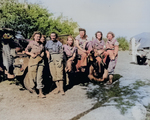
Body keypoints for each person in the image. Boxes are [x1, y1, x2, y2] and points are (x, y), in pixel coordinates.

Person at [25, 31, 46, 98]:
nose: (38, 38)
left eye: (39, 37)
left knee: (40, 76)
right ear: (34, 37)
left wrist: (43, 53)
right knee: (32, 76)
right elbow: (25, 51)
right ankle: (33, 90)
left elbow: (42, 51)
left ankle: (40, 92)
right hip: (33, 61)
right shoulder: (31, 43)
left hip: (40, 61)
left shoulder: (41, 44)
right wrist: (31, 54)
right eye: (37, 37)